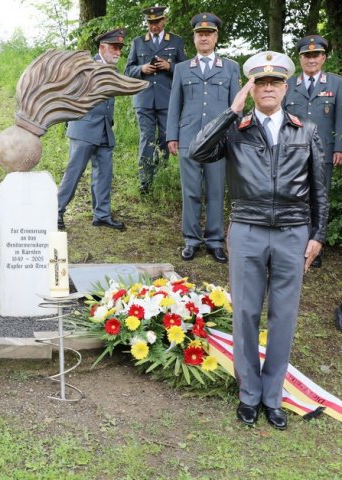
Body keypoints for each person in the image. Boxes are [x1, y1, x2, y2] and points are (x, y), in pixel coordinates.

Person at [188, 52, 328, 430]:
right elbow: (198, 151)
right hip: (247, 230)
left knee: (283, 316)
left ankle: (273, 396)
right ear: (251, 89)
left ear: (286, 87)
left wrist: (317, 234)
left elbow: (320, 188)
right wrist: (231, 112)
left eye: (275, 83)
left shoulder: (306, 129)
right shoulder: (237, 128)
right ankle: (249, 395)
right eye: (261, 83)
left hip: (292, 232)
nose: (268, 88)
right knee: (247, 313)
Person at [167, 13, 241, 263]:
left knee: (216, 191)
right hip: (189, 138)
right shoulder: (182, 68)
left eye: (208, 34)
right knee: (191, 192)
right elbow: (174, 104)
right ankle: (191, 240)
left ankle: (215, 240)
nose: (204, 38)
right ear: (194, 38)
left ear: (216, 37)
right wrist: (171, 136)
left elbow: (236, 106)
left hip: (219, 141)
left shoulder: (230, 68)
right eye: (200, 34)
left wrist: (236, 138)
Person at [57, 28, 127, 231]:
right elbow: (68, 93)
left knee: (104, 174)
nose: (117, 52)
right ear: (102, 47)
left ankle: (102, 215)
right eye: (114, 48)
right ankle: (56, 211)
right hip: (84, 129)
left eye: (119, 49)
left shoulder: (112, 69)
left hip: (105, 129)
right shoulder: (86, 66)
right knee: (73, 173)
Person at [284, 35, 341, 270]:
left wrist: (339, 148)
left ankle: (315, 248)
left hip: (324, 153)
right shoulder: (289, 84)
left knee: (319, 200)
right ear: (300, 59)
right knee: (294, 198)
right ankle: (294, 245)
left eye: (316, 55)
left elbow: (341, 119)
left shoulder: (337, 83)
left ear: (323, 57)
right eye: (307, 55)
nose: (311, 59)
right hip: (293, 152)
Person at [124, 5, 186, 194]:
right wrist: (141, 69)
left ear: (164, 20)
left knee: (165, 139)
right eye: (150, 23)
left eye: (157, 22)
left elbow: (186, 70)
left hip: (167, 99)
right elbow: (128, 70)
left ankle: (160, 177)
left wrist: (170, 66)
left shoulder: (176, 41)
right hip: (144, 100)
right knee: (146, 138)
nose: (154, 26)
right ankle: (145, 182)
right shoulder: (138, 42)